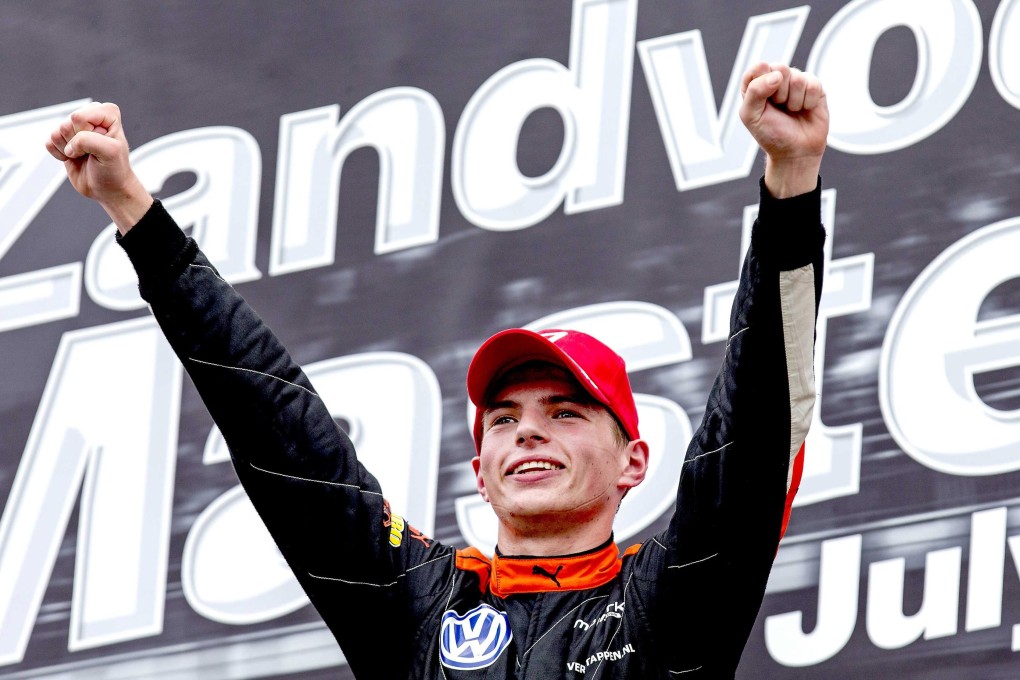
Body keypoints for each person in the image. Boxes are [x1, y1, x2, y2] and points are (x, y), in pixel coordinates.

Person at [46, 61, 827, 678]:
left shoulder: (667, 600)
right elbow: (280, 428)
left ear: (634, 462)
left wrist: (789, 187)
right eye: (504, 419)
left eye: (565, 412)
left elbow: (756, 426)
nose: (528, 433)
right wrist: (135, 214)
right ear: (481, 473)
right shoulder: (418, 604)